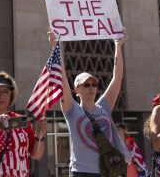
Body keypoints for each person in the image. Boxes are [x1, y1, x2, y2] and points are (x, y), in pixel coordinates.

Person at [48, 28, 131, 177]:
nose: (91, 88)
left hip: (107, 171)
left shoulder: (104, 107)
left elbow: (117, 78)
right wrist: (56, 46)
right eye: (86, 85)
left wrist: (118, 46)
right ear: (76, 89)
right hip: (81, 172)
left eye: (94, 84)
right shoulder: (72, 110)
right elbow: (62, 78)